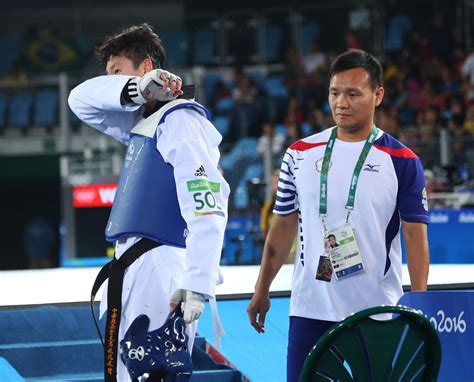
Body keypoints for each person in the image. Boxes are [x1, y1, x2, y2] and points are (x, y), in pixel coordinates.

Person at [247, 49, 430, 382]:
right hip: (309, 309)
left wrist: (419, 305)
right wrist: (262, 288)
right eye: (334, 93)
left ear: (378, 96)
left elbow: (415, 236)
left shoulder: (402, 160)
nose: (341, 102)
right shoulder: (298, 154)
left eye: (353, 93)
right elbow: (283, 224)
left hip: (377, 311)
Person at [68, 23, 229, 382]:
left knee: (154, 373)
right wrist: (136, 88)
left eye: (117, 71)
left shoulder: (181, 119)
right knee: (130, 373)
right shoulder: (140, 122)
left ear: (145, 66)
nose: (110, 82)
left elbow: (208, 203)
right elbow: (79, 100)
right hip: (132, 264)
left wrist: (198, 284)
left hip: (162, 265)